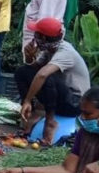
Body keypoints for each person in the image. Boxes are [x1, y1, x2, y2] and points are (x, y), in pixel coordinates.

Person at [16, 17, 90, 145]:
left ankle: (50, 121)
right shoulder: (50, 49)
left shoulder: (65, 52)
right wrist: (29, 58)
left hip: (75, 103)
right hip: (61, 98)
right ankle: (30, 114)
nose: (34, 37)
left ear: (43, 38)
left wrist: (28, 100)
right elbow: (33, 71)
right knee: (22, 71)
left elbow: (42, 75)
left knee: (47, 76)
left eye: (36, 34)